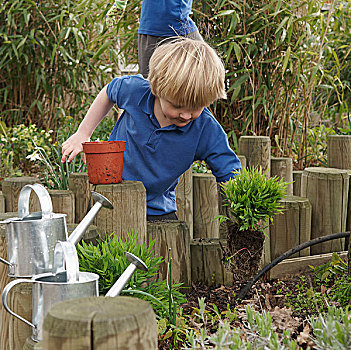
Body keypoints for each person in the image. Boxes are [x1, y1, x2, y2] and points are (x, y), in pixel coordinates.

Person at [61, 38, 241, 221]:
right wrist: (83, 132)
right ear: (158, 89)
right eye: (178, 106)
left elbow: (228, 170)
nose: (186, 115)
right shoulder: (135, 91)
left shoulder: (205, 128)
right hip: (111, 198)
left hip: (158, 210)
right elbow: (110, 91)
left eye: (196, 107)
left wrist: (245, 205)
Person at [106, 0, 202, 77]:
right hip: (153, 27)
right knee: (150, 86)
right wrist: (120, 3)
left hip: (180, 26)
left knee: (205, 72)